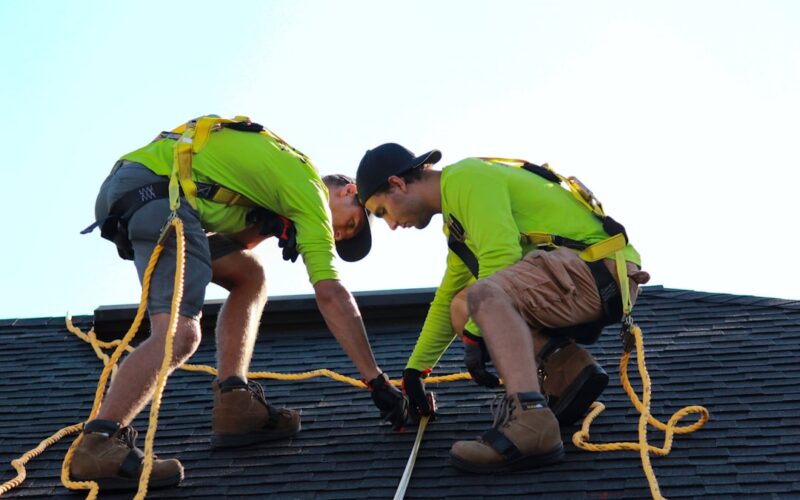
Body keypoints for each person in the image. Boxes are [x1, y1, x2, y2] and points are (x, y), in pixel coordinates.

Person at [69, 116, 406, 491]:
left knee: (250, 276)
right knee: (181, 334)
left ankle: (234, 403)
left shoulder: (279, 183)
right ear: (347, 192)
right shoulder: (308, 190)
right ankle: (99, 442)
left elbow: (226, 244)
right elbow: (330, 293)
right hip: (157, 194)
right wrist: (376, 381)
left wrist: (266, 228)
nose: (338, 235)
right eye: (352, 225)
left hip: (151, 189)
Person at [353, 143, 650, 473]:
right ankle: (567, 369)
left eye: (382, 212)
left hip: (597, 270)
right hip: (586, 276)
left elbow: (501, 257)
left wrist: (477, 334)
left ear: (397, 183)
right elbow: (449, 294)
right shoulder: (458, 222)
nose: (392, 225)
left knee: (481, 297)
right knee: (462, 305)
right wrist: (415, 372)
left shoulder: (466, 177)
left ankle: (531, 419)